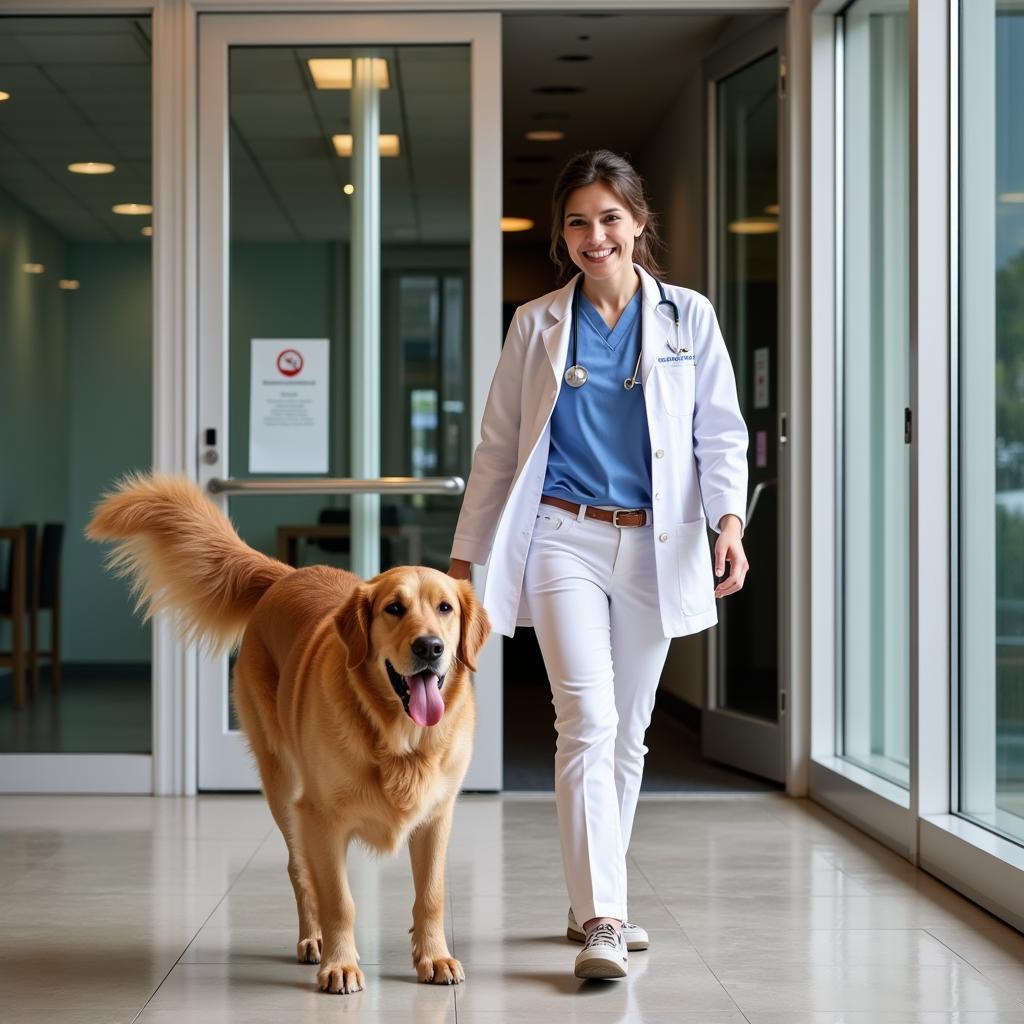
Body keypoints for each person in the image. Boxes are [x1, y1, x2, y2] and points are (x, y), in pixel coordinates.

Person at [448, 149, 749, 981]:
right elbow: (500, 450)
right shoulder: (537, 322)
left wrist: (729, 523)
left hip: (660, 540)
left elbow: (719, 434)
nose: (594, 235)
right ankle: (606, 921)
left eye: (609, 218)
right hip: (562, 536)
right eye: (577, 221)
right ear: (563, 233)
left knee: (632, 730)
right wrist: (467, 559)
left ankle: (590, 896)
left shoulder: (689, 318)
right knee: (586, 718)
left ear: (638, 224)